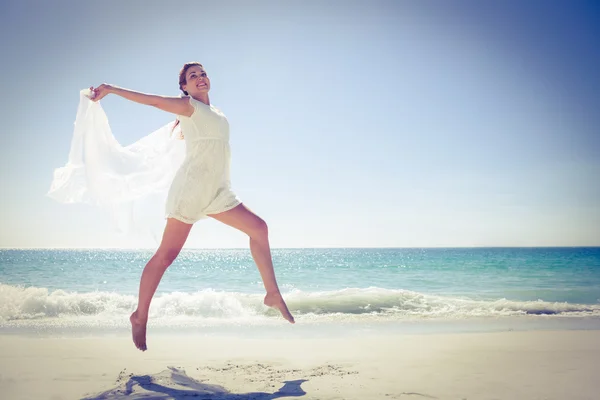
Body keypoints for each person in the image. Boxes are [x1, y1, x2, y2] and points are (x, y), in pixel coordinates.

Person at [90, 62, 295, 352]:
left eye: (202, 73)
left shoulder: (217, 113)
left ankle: (272, 294)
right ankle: (140, 315)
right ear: (184, 87)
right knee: (165, 257)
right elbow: (153, 100)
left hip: (219, 191)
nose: (199, 78)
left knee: (259, 229)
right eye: (192, 76)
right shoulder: (189, 107)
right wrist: (111, 89)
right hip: (192, 190)